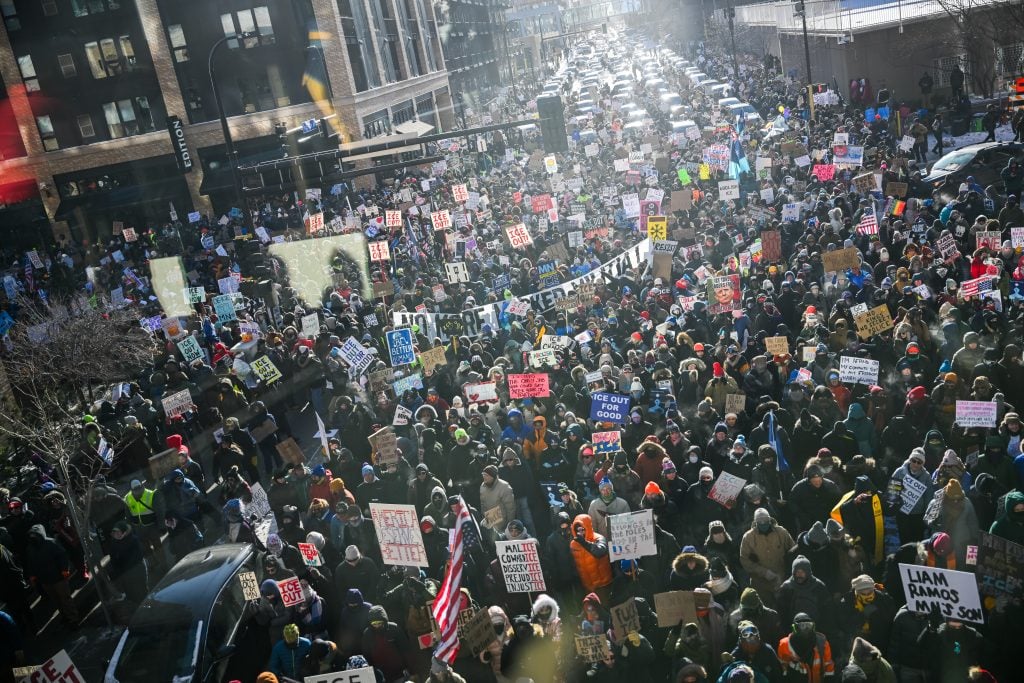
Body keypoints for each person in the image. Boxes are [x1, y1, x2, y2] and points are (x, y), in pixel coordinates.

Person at [777, 613, 836, 683]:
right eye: (802, 626)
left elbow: (828, 666)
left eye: (808, 625)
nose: (806, 629)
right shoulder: (784, 644)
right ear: (794, 628)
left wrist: (829, 680)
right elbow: (783, 669)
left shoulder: (822, 642)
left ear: (813, 626)